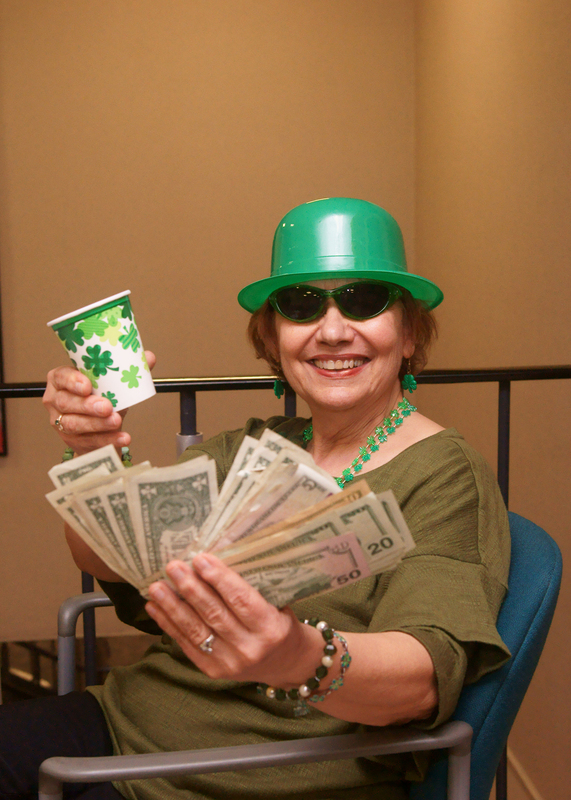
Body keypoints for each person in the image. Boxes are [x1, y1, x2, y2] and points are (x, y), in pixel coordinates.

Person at [1, 198, 510, 800]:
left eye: (365, 300)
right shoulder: (248, 447)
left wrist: (297, 656)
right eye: (300, 305)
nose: (332, 331)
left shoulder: (446, 474)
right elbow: (109, 559)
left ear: (409, 334)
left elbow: (421, 683)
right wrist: (91, 454)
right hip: (120, 720)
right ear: (272, 338)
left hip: (249, 776)